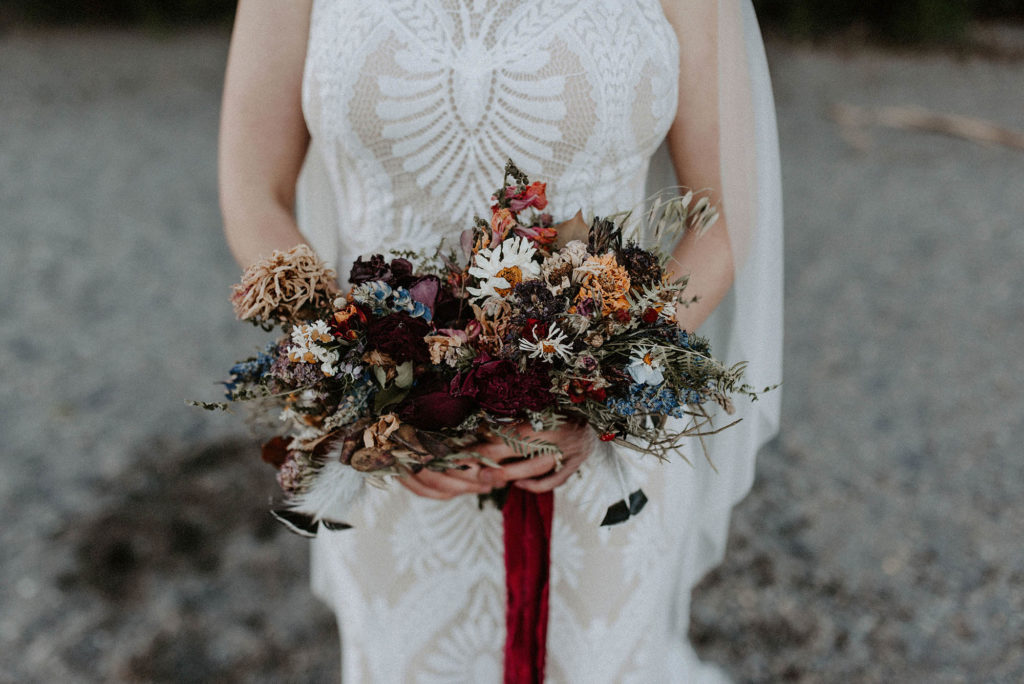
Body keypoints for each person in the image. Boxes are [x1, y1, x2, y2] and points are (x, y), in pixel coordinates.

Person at [219, 0, 782, 680]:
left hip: (601, 450)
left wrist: (599, 389)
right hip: (390, 456)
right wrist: (365, 384)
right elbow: (255, 190)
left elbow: (723, 213)